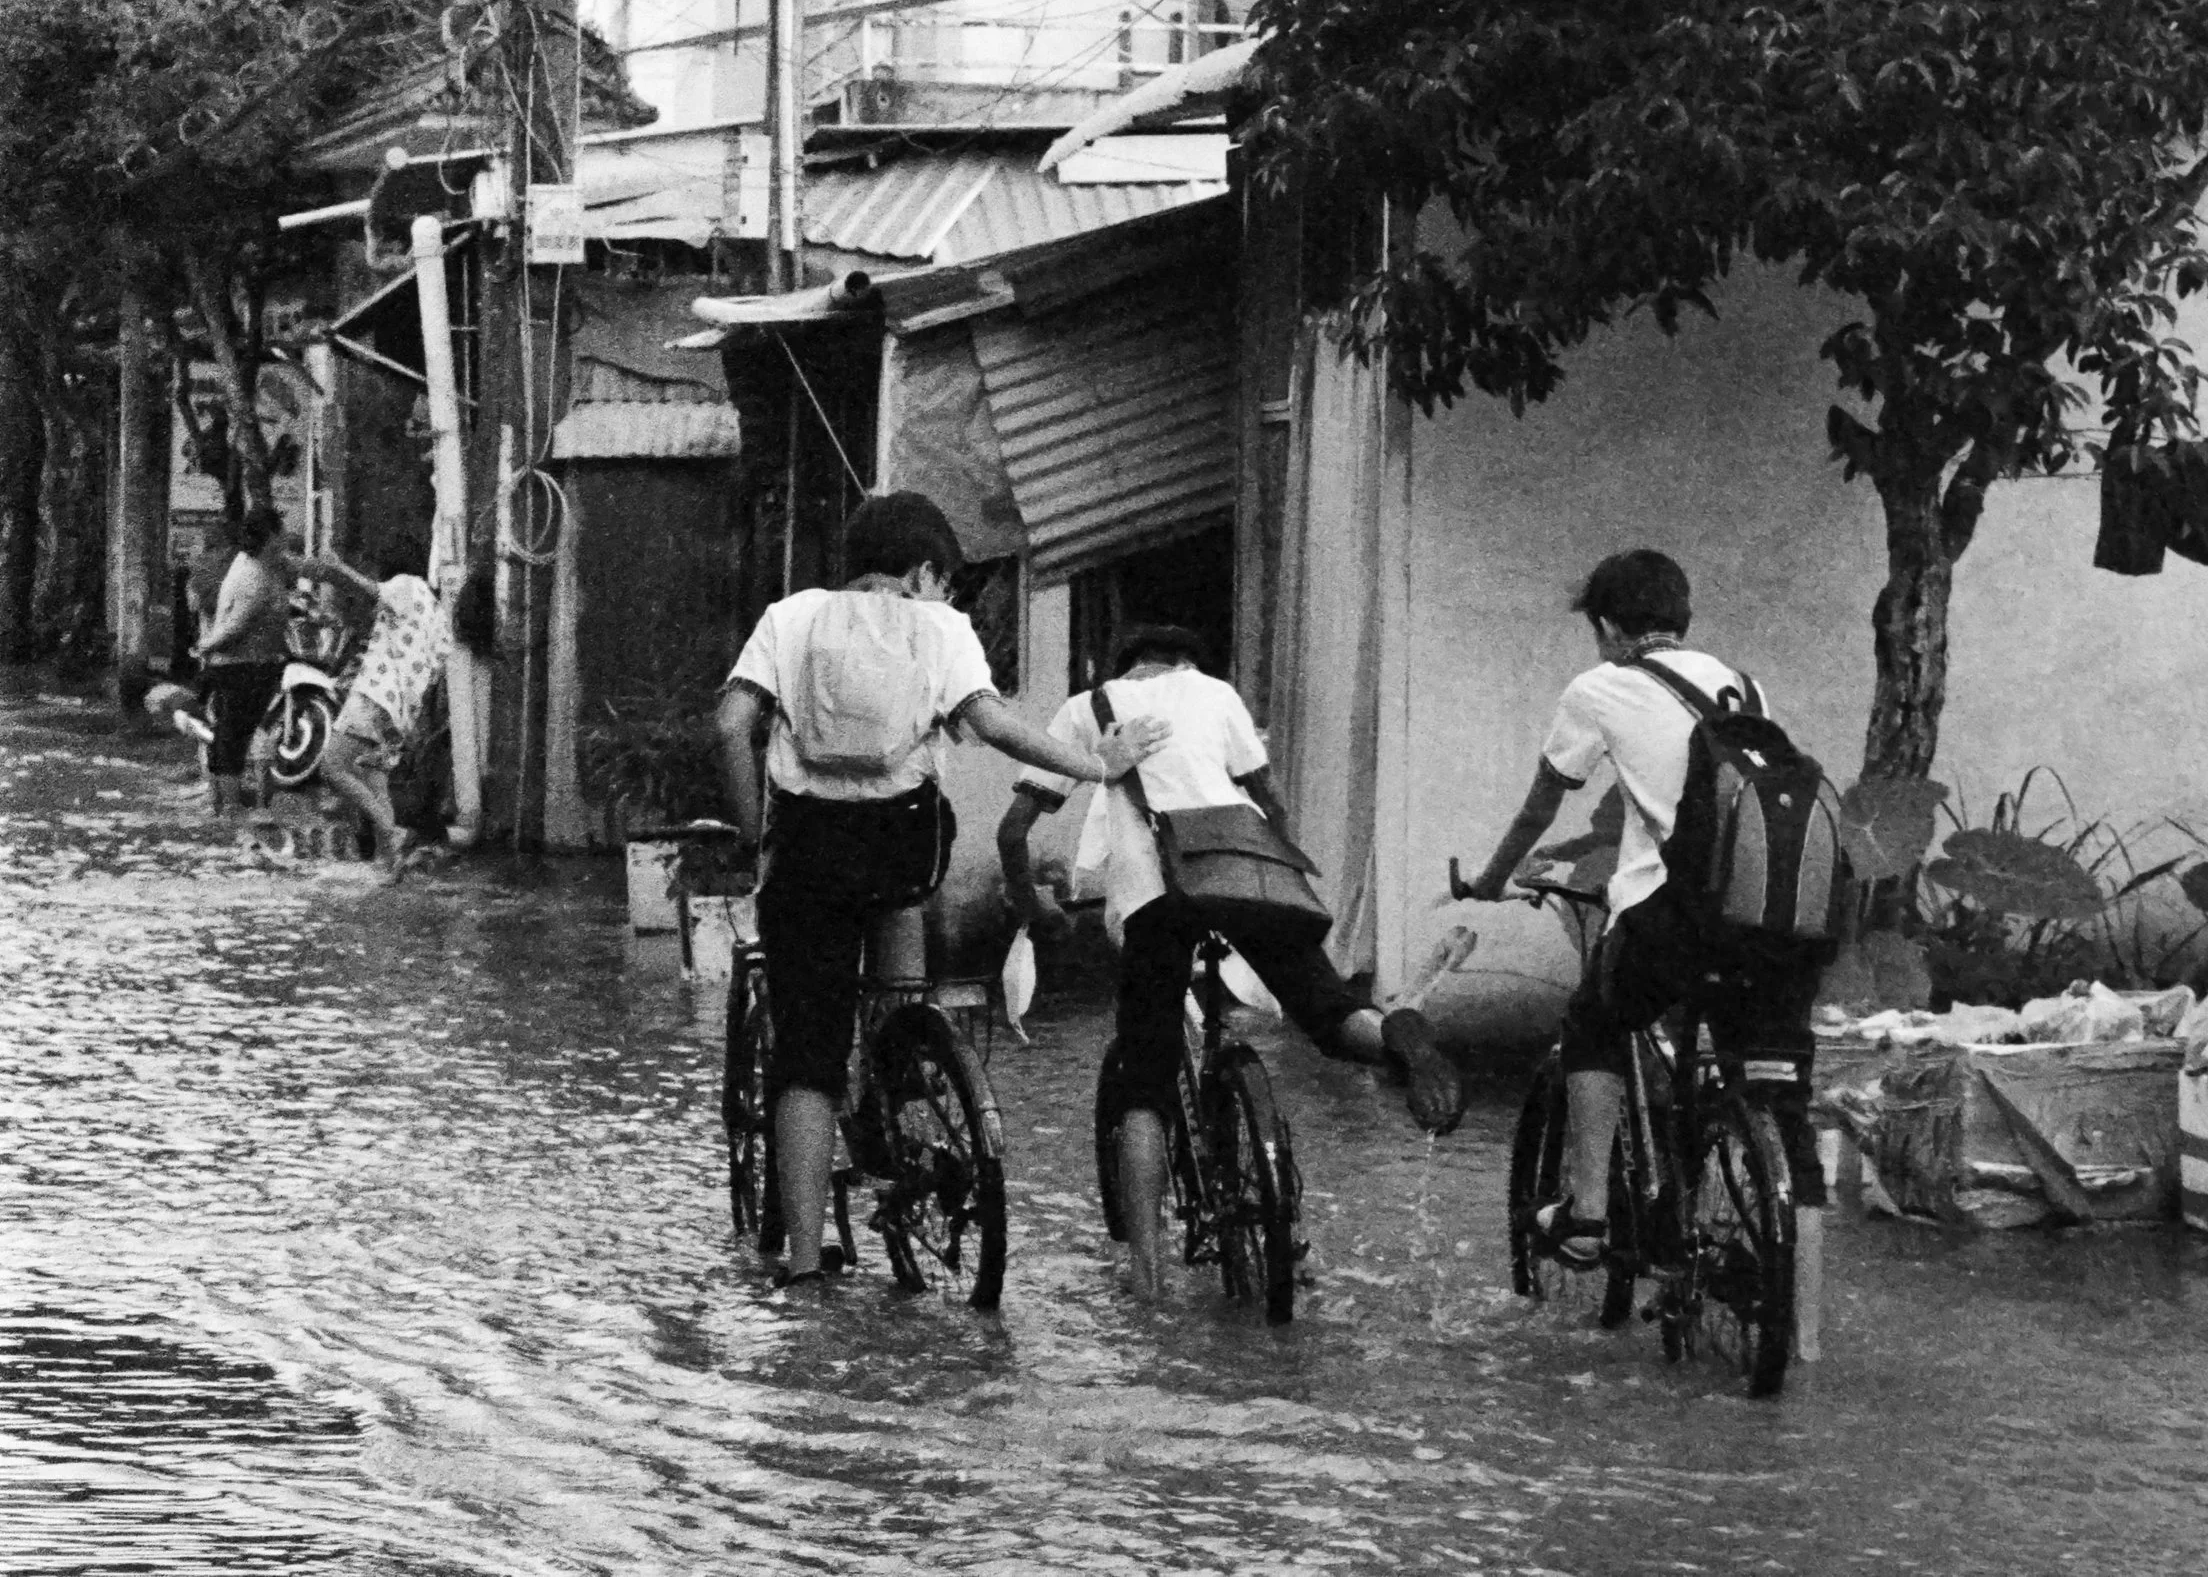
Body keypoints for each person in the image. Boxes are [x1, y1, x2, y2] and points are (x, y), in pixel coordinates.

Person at [716, 490, 1166, 1294]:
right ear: (924, 571)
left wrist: (758, 838)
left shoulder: (788, 617)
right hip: (903, 850)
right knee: (900, 948)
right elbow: (991, 724)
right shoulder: (942, 628)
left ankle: (808, 1264)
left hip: (808, 854)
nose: (948, 596)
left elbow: (727, 727)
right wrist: (1098, 764)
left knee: (809, 1056)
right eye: (947, 581)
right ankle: (908, 1055)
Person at [997, 619, 1466, 1303]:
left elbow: (1013, 831)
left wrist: (1034, 907)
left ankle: (1149, 1281)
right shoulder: (1217, 695)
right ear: (1189, 661)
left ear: (1128, 666)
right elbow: (1269, 799)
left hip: (1158, 894)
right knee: (1328, 1012)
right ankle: (1394, 1035)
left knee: (1145, 1078)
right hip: (1250, 877)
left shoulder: (1087, 710)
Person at [1452, 546, 1824, 1362]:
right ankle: (1805, 1336)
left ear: (1611, 627)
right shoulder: (1742, 685)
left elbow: (1543, 803)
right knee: (1773, 1100)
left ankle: (1586, 1214)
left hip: (1677, 916)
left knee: (1592, 1020)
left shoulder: (1601, 687)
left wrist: (1489, 880)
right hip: (1774, 924)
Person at [293, 547, 451, 871]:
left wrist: (338, 569)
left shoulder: (406, 585)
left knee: (333, 767)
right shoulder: (434, 608)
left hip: (376, 697)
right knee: (374, 780)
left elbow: (368, 588)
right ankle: (391, 865)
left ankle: (393, 835)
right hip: (401, 710)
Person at [194, 503, 291, 817]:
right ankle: (231, 807)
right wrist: (206, 646)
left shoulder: (257, 563)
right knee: (234, 736)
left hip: (246, 664)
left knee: (232, 734)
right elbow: (237, 626)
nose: (287, 537)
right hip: (242, 667)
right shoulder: (254, 575)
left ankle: (223, 803)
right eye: (282, 532)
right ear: (271, 537)